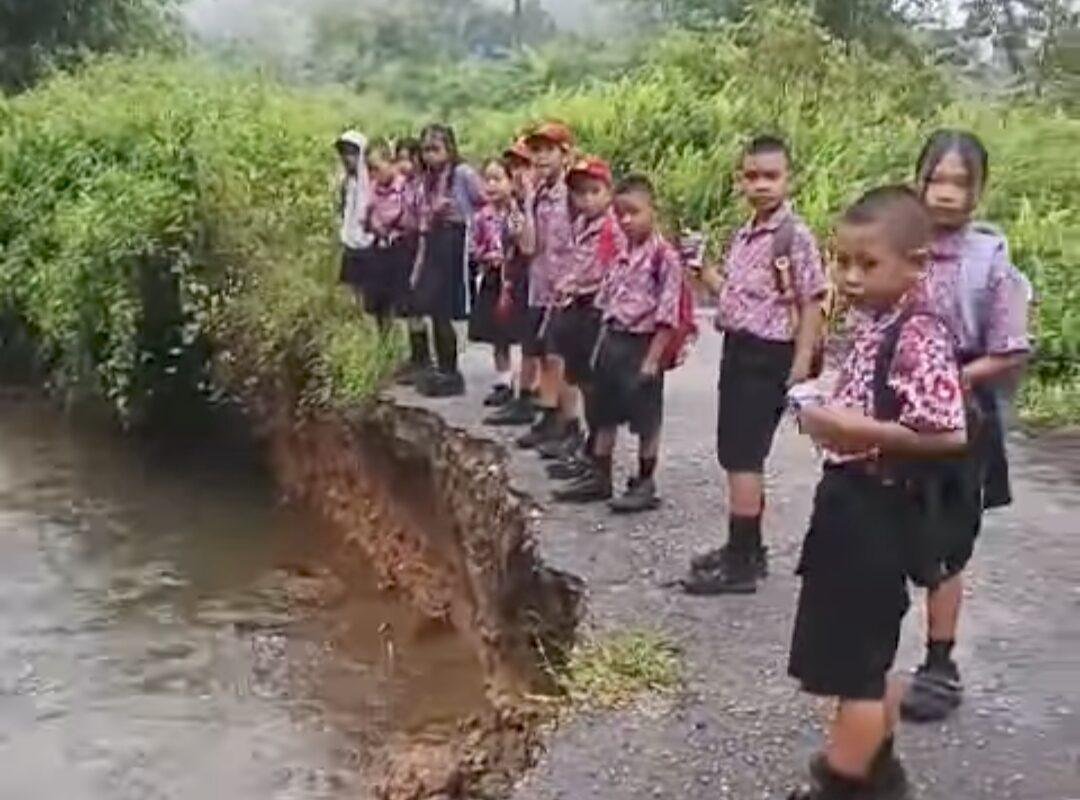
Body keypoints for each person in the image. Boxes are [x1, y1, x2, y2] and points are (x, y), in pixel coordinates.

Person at [787, 186, 969, 800]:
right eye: (842, 261)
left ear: (916, 264)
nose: (851, 277)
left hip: (876, 511)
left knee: (856, 673)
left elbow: (946, 431)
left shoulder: (920, 333)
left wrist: (851, 430)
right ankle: (880, 775)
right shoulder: (878, 321)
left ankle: (842, 783)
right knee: (858, 658)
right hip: (851, 501)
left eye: (868, 264)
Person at [899, 130, 1032, 724]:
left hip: (960, 422)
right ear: (919, 181)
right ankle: (869, 650)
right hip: (897, 416)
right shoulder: (900, 245)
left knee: (946, 546)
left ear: (980, 190)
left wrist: (951, 379)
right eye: (937, 180)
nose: (947, 194)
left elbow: (1009, 349)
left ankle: (939, 662)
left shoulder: (990, 262)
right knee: (885, 527)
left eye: (961, 183)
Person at [683, 135, 828, 596]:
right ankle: (745, 547)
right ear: (739, 181)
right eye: (752, 176)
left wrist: (801, 361)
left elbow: (812, 300)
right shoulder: (746, 234)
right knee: (735, 453)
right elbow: (735, 296)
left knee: (744, 455)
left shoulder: (794, 236)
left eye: (771, 176)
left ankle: (742, 563)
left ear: (789, 180)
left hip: (768, 354)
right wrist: (702, 270)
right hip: (739, 348)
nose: (761, 185)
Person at [584, 174, 683, 513]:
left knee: (645, 419)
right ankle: (599, 474)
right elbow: (607, 301)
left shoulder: (664, 258)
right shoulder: (622, 253)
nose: (626, 220)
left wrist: (653, 359)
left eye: (634, 212)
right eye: (620, 213)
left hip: (642, 344)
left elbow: (668, 315)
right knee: (604, 412)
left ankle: (645, 481)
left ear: (654, 210)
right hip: (614, 340)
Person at [549, 156, 628, 501]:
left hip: (598, 313)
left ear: (609, 192)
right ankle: (590, 458)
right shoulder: (581, 223)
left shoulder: (613, 229)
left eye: (594, 191)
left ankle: (600, 471)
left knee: (598, 393)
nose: (587, 199)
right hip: (578, 311)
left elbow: (613, 275)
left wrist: (578, 286)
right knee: (583, 383)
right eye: (580, 193)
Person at [410, 124, 485, 398]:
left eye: (435, 149)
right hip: (434, 239)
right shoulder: (427, 178)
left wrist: (472, 225)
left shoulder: (462, 174)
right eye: (426, 150)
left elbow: (485, 201)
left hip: (456, 240)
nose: (430, 156)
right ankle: (440, 366)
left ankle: (450, 370)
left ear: (449, 149)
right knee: (430, 305)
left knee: (443, 307)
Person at [515, 122, 577, 450]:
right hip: (539, 287)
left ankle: (569, 424)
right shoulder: (538, 196)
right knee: (542, 353)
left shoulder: (575, 194)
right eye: (536, 151)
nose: (540, 158)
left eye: (548, 150)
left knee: (560, 358)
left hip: (567, 291)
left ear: (565, 154)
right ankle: (550, 416)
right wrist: (527, 202)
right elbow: (528, 246)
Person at [486, 138, 546, 426]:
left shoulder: (534, 202)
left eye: (524, 166)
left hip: (539, 278)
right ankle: (526, 394)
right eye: (515, 168)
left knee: (535, 342)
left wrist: (527, 203)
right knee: (526, 339)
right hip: (519, 276)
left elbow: (528, 246)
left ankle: (530, 397)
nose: (520, 174)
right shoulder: (516, 205)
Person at [468, 157, 536, 407]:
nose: (492, 185)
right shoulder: (481, 217)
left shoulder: (516, 213)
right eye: (487, 180)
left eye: (498, 179)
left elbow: (524, 243)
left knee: (521, 331)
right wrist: (486, 256)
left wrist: (516, 214)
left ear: (511, 182)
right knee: (498, 335)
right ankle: (504, 381)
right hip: (492, 277)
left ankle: (529, 382)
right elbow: (474, 248)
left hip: (515, 278)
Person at [362, 139, 412, 332]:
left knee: (401, 304)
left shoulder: (405, 187)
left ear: (389, 163)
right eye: (369, 169)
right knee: (378, 303)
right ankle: (384, 341)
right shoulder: (373, 189)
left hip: (401, 248)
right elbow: (366, 219)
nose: (373, 174)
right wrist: (373, 224)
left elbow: (408, 219)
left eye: (376, 168)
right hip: (379, 247)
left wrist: (387, 224)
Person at [394, 136, 432, 383]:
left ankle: (423, 359)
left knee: (417, 305)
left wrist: (420, 261)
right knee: (408, 308)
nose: (404, 164)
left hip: (419, 244)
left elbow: (424, 226)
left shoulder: (423, 187)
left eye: (408, 159)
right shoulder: (405, 185)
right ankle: (416, 357)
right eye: (400, 159)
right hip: (404, 243)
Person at [335, 130, 373, 296]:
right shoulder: (347, 182)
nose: (347, 158)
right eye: (344, 153)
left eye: (351, 153)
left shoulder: (373, 181)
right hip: (351, 243)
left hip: (369, 244)